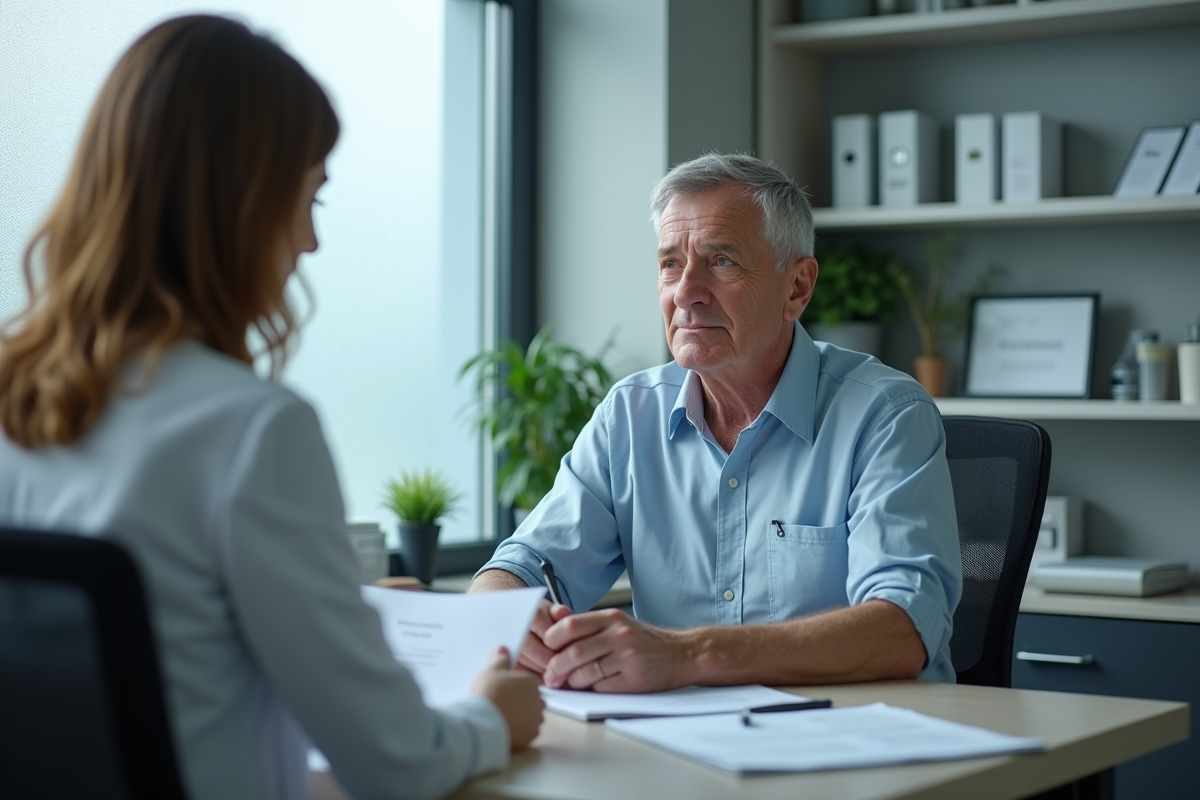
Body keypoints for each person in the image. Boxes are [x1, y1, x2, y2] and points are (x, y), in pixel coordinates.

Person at [0, 15, 542, 800]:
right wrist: (492, 716)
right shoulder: (253, 429)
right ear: (237, 208)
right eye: (307, 198)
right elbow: (397, 763)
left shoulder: (17, 404)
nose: (311, 244)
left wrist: (337, 603)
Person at [470, 153, 962, 692]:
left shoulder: (884, 415)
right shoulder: (630, 415)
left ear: (797, 287)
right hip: (684, 747)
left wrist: (690, 654)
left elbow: (904, 629)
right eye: (669, 265)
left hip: (861, 745)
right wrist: (512, 618)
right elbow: (522, 564)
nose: (685, 292)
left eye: (721, 261)